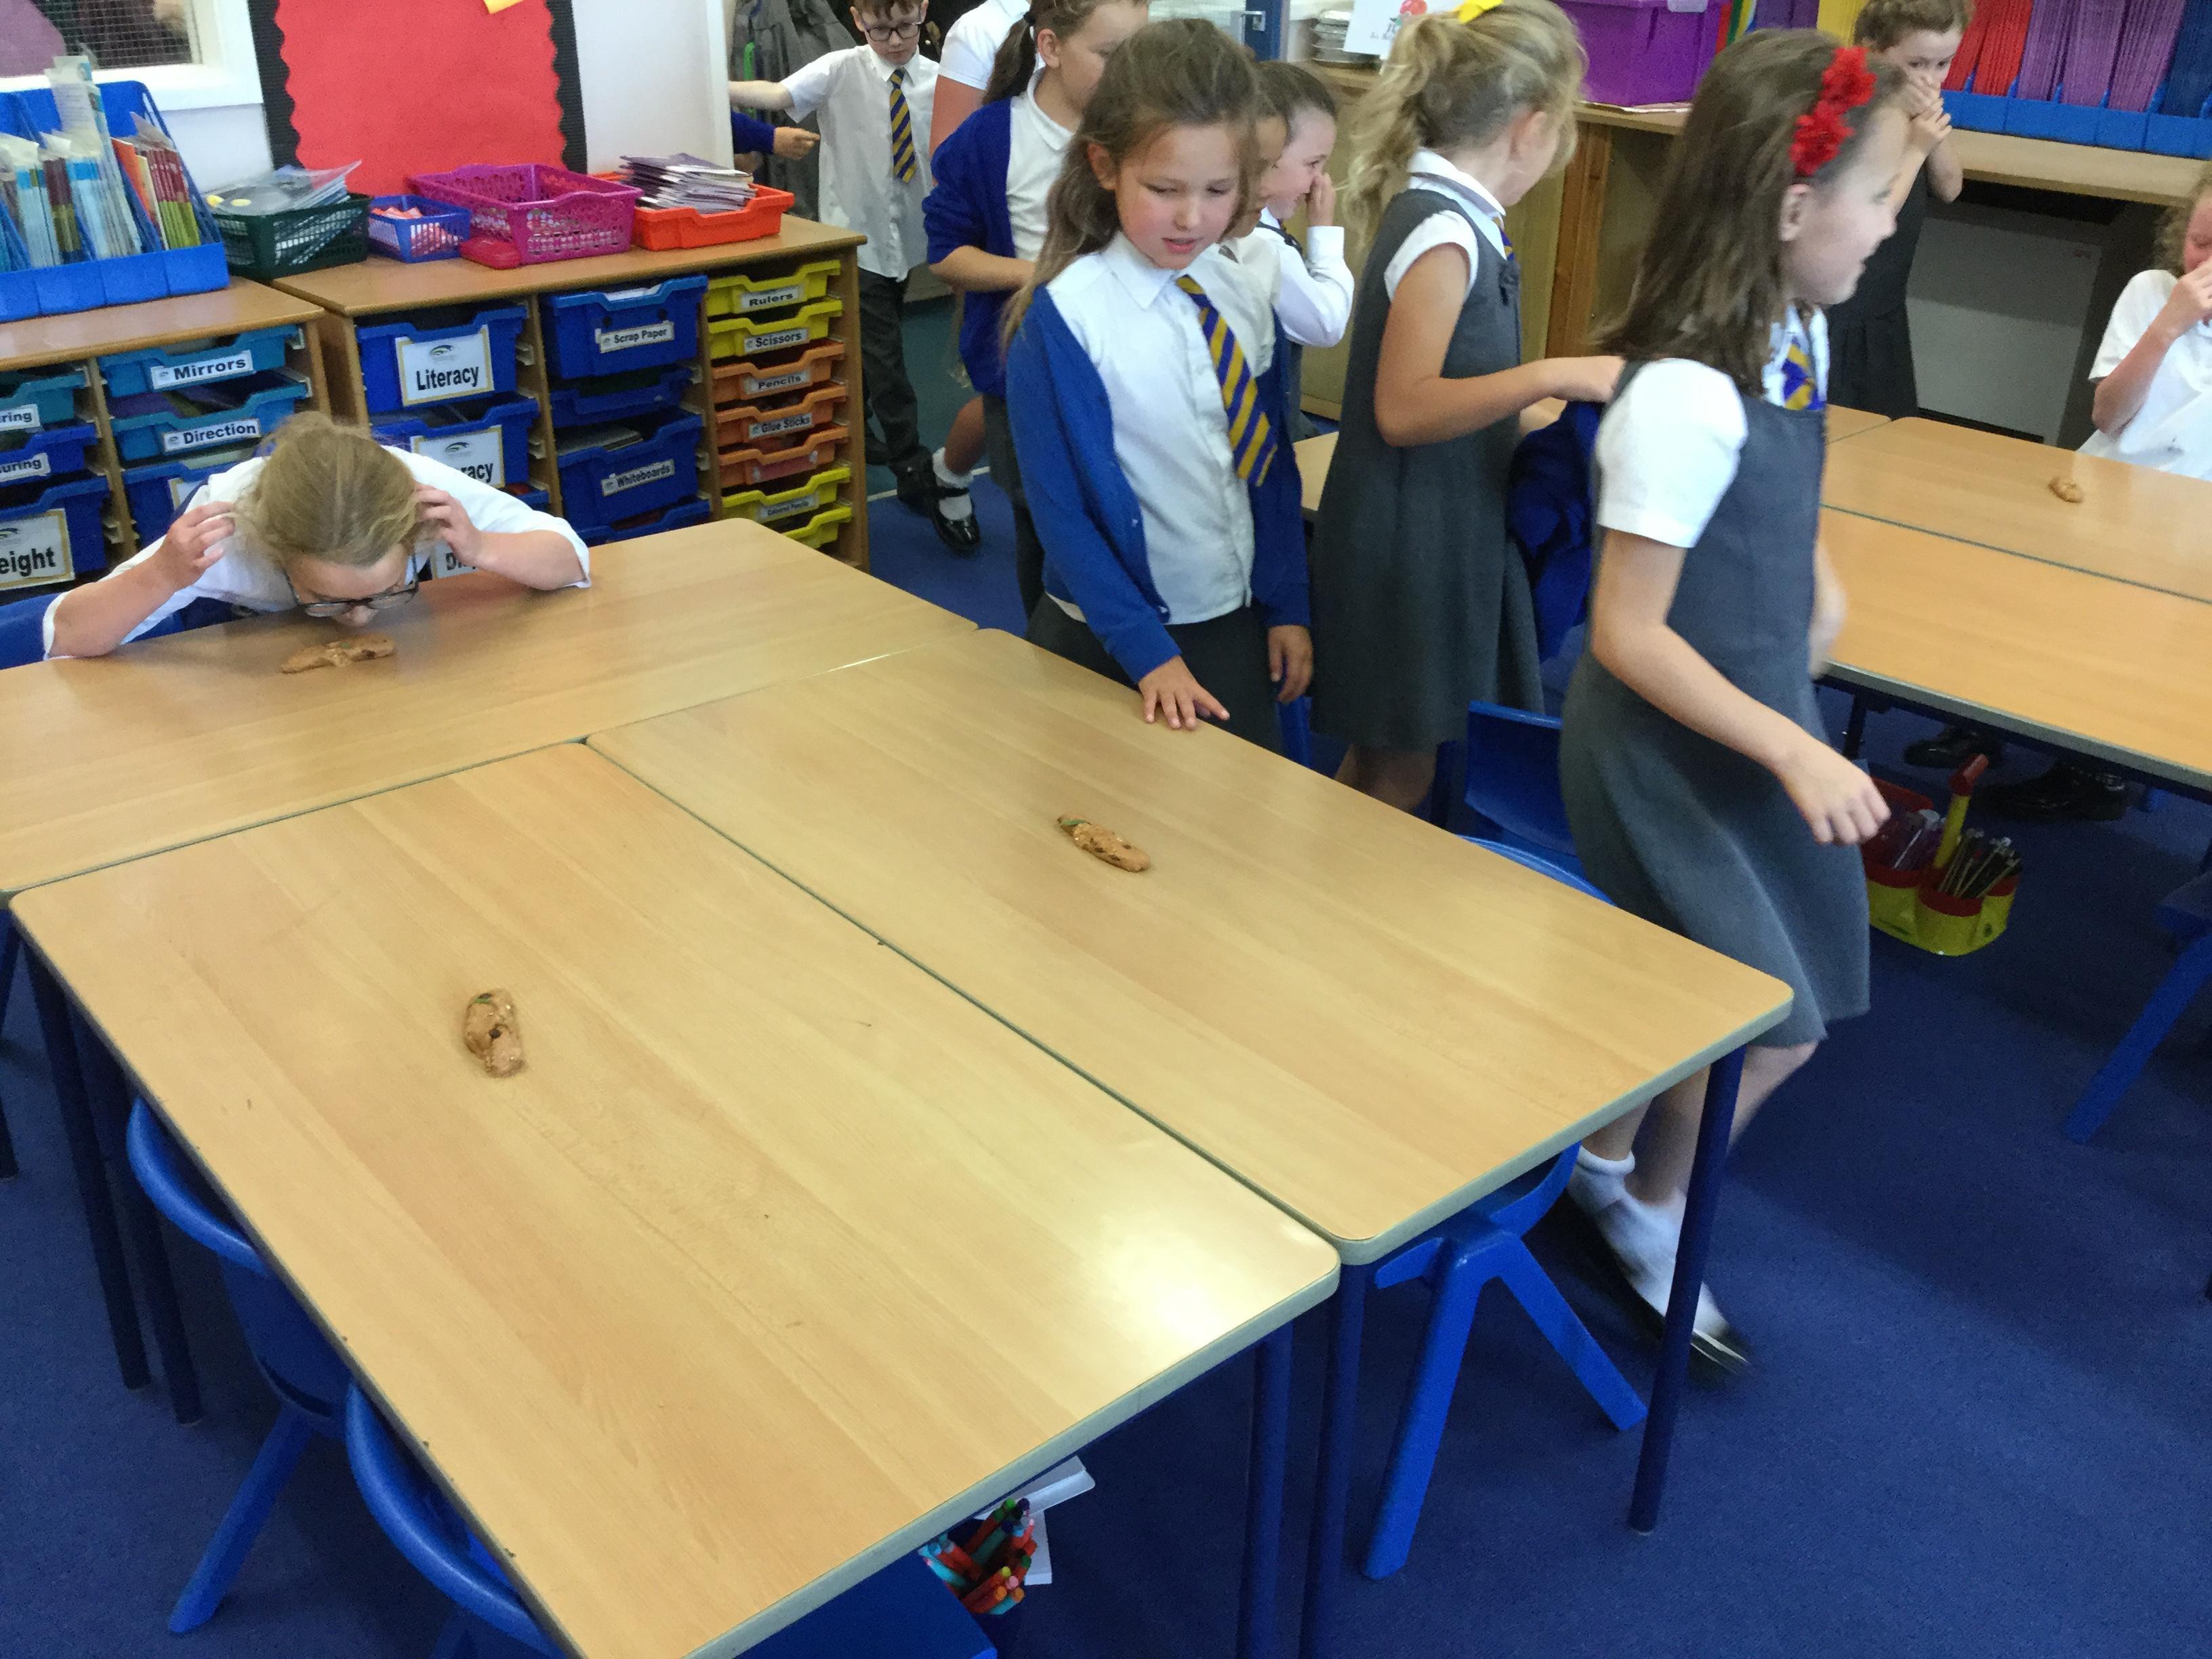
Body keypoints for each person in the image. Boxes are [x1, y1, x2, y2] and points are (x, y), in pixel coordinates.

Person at [1560, 30, 1906, 1373]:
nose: (1888, 224)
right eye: (1876, 195)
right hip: (1668, 751)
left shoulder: (1793, 329)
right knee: (1770, 1026)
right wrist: (1791, 749)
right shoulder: (1683, 399)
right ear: (1793, 206)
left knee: (1739, 1000)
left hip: (1748, 720)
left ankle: (1596, 1160)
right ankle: (1647, 1216)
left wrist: (1811, 580)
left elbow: (1782, 480)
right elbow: (1627, 633)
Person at [1309, 0, 1616, 813]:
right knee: (1400, 768)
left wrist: (1537, 418)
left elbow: (1460, 389)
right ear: (1531, 127)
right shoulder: (1443, 233)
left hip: (1436, 525)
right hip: (1405, 539)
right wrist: (1548, 376)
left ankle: (1323, 875)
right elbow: (1404, 410)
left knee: (1385, 755)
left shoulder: (1461, 219)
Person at [1002, 18, 1309, 749]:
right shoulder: (1067, 319)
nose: (1192, 216)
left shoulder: (1240, 294)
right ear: (1105, 166)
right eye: (1164, 188)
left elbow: (1269, 466)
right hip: (1112, 638)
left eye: (1218, 189)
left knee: (1244, 804)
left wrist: (1288, 600)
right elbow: (1061, 514)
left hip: (1231, 616)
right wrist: (1147, 652)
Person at [1954, 161, 2212, 821]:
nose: (2205, 263)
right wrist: (2167, 328)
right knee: (2021, 599)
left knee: (2126, 646)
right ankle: (1982, 725)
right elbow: (2109, 415)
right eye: (2200, 242)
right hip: (2104, 489)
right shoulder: (2153, 292)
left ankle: (2091, 777)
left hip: (2187, 526)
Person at [926, 0, 1150, 618]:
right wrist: (1044, 277)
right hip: (1027, 373)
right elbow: (947, 255)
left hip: (1128, 369)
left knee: (1126, 515)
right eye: (1109, 55)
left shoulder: (1143, 132)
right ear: (1050, 48)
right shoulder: (992, 137)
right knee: (1045, 527)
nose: (1130, 73)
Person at [731, 0, 979, 548]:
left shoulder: (940, 80)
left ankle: (858, 423)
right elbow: (778, 95)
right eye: (880, 29)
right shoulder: (840, 69)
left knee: (871, 336)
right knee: (887, 356)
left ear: (923, 12)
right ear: (858, 19)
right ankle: (913, 466)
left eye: (906, 27)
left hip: (910, 238)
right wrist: (711, 88)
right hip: (858, 236)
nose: (895, 41)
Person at [44, 414, 587, 659]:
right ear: (275, 551)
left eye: (386, 592)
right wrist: (161, 576)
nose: (360, 619)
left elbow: (572, 561)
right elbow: (66, 637)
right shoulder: (226, 534)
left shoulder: (422, 495)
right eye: (328, 599)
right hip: (237, 651)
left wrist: (483, 547)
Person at [1824, 0, 1967, 419]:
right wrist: (1916, 148)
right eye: (1916, 64)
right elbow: (1875, 216)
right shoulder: (1857, 113)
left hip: (1882, 309)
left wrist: (1931, 129)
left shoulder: (1912, 111)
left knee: (1886, 424)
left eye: (1943, 64)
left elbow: (1950, 187)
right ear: (1872, 51)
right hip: (1840, 310)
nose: (1930, 78)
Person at [1229, 61, 1353, 444]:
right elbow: (1326, 323)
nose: (1320, 181)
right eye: (1312, 164)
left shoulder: (1266, 236)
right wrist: (1323, 233)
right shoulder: (1262, 246)